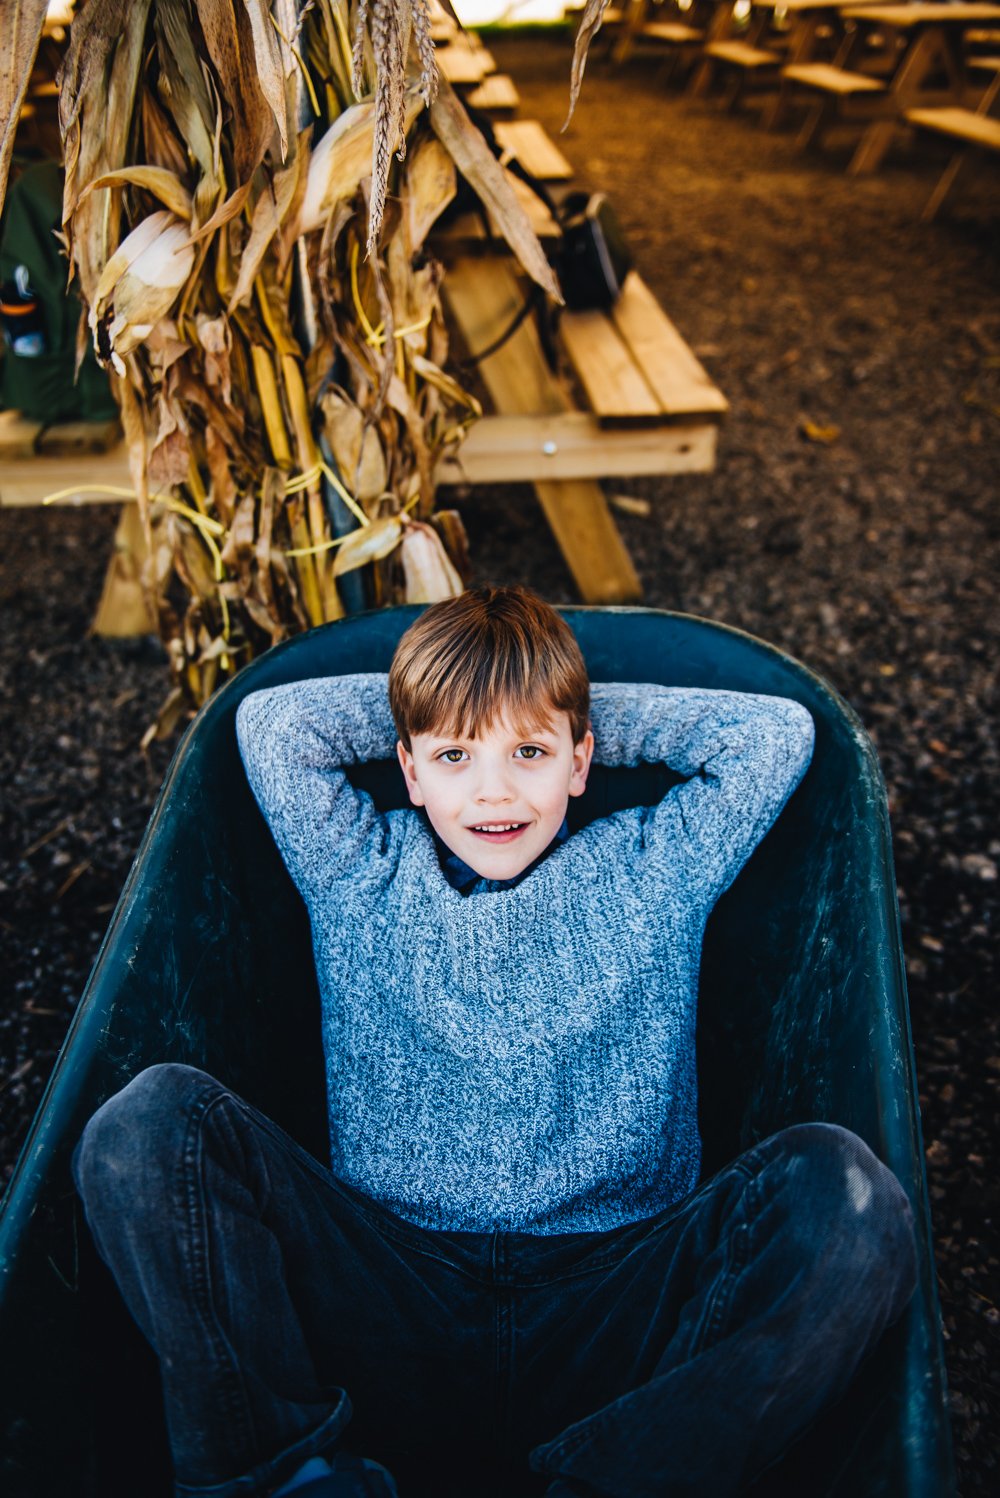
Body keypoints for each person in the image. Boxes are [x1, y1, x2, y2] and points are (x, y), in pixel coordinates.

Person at [73, 586, 917, 1498]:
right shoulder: (356, 866)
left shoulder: (654, 868)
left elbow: (774, 737)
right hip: (392, 1285)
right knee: (146, 1127)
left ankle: (619, 1481)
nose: (494, 790)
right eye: (453, 757)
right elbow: (275, 723)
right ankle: (293, 1475)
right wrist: (469, 705)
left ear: (582, 759)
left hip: (612, 1293)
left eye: (530, 754)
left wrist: (557, 706)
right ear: (407, 769)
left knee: (852, 1201)